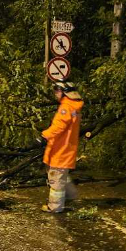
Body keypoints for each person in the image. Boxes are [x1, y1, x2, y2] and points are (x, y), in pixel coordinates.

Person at [36, 81, 84, 213]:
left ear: (64, 92)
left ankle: (55, 207)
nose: (55, 94)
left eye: (57, 91)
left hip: (60, 150)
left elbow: (59, 126)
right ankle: (70, 195)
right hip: (65, 148)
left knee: (56, 179)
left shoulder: (66, 108)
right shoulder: (73, 107)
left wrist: (44, 136)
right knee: (61, 176)